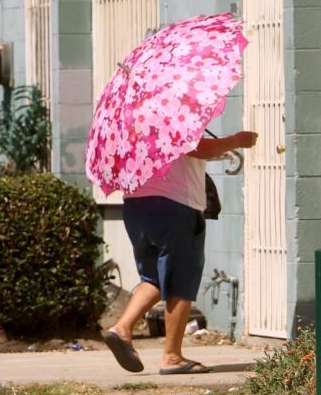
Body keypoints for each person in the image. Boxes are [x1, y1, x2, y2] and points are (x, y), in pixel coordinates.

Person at [104, 130, 258, 376]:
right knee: (180, 282)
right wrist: (237, 140)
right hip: (175, 206)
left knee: (153, 278)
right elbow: (195, 148)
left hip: (136, 204)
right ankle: (172, 357)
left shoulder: (132, 122)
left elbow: (179, 154)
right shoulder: (170, 112)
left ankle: (121, 329)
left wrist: (219, 148)